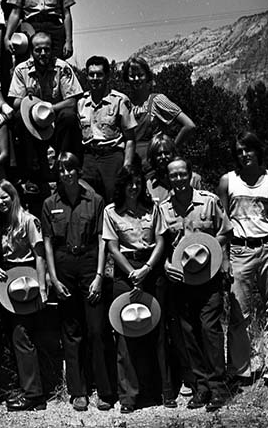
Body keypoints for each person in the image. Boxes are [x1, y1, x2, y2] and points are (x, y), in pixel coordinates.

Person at [42, 152, 116, 412]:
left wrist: (98, 276)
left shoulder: (95, 201)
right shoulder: (50, 203)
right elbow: (48, 242)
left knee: (97, 330)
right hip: (63, 266)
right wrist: (52, 276)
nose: (66, 174)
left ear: (78, 171)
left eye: (70, 169)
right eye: (61, 170)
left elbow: (101, 240)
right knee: (71, 332)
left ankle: (105, 391)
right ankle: (78, 392)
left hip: (88, 265)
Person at [158, 157, 231, 412]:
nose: (178, 179)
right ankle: (201, 387)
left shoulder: (209, 201)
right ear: (168, 178)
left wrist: (216, 252)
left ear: (190, 174)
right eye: (173, 175)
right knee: (188, 333)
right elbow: (161, 243)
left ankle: (218, 388)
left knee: (209, 329)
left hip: (208, 276)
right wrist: (166, 264)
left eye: (181, 174)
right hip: (180, 278)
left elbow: (225, 230)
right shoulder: (163, 208)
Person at [101, 164, 173, 412]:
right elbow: (112, 247)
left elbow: (162, 239)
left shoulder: (153, 208)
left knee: (157, 329)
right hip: (125, 269)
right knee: (125, 331)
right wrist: (132, 273)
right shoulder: (111, 212)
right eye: (129, 183)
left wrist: (147, 269)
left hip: (151, 267)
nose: (134, 187)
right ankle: (128, 396)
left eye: (138, 182)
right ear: (122, 185)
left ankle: (163, 391)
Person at [220, 131, 268, 388]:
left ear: (258, 151)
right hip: (239, 250)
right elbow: (222, 223)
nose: (244, 155)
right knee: (238, 312)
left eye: (248, 149)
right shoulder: (228, 182)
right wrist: (225, 259)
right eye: (239, 151)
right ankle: (239, 369)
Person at [0, 179, 49, 412]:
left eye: (4, 197)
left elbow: (40, 256)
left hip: (27, 282)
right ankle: (26, 389)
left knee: (22, 337)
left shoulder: (28, 220)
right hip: (9, 284)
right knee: (16, 337)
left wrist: (43, 288)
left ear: (13, 195)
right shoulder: (3, 223)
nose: (0, 202)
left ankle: (34, 394)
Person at [8, 32, 83, 196]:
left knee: (69, 116)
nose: (43, 54)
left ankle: (63, 164)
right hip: (32, 121)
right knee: (18, 118)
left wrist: (49, 109)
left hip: (55, 118)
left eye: (47, 50)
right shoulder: (22, 70)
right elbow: (15, 102)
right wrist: (31, 100)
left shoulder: (62, 67)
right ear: (31, 51)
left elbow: (72, 101)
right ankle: (30, 173)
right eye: (38, 50)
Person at [120, 57, 196, 174]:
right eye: (132, 76)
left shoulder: (157, 100)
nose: (136, 79)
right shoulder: (125, 103)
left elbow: (189, 125)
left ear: (147, 77)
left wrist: (170, 150)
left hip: (154, 167)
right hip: (132, 165)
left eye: (140, 75)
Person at [76, 55, 138, 200]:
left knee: (114, 197)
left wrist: (127, 165)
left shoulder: (119, 101)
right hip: (89, 157)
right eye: (91, 74)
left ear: (107, 76)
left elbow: (130, 138)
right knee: (88, 200)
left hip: (111, 156)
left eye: (99, 74)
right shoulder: (81, 103)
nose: (95, 78)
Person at [145, 137, 178, 205]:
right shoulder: (148, 186)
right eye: (159, 154)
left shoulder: (193, 180)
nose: (163, 157)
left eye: (166, 153)